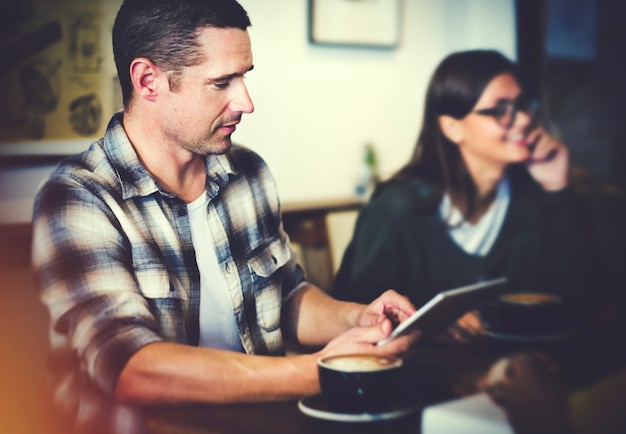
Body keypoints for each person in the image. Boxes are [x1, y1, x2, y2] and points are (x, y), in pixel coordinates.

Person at [30, 1, 418, 433]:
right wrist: (320, 371)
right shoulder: (79, 197)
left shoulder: (248, 172)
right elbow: (132, 370)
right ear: (148, 80)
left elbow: (286, 296)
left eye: (244, 76)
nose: (246, 102)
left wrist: (356, 319)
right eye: (222, 82)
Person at [332, 50, 595, 341]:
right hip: (423, 376)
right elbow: (356, 318)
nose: (522, 120)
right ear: (452, 127)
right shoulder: (398, 209)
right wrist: (431, 328)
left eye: (523, 105)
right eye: (499, 110)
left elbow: (578, 297)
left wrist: (557, 188)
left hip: (517, 372)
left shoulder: (532, 196)